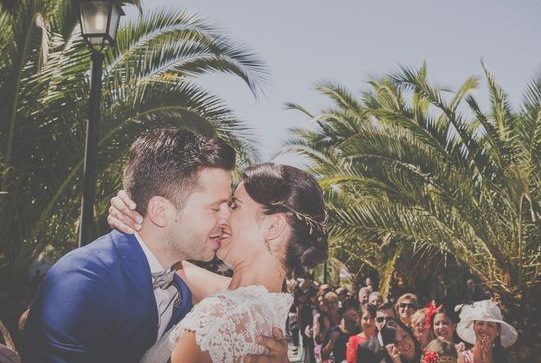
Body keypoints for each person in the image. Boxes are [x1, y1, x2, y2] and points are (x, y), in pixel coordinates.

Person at [24, 129, 288, 363]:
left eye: (229, 205)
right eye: (215, 207)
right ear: (160, 211)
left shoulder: (180, 291)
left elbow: (248, 291)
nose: (226, 218)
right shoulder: (85, 279)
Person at [140, 162, 329, 362]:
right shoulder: (261, 307)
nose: (222, 216)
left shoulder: (220, 315)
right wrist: (139, 218)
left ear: (273, 226)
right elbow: (179, 269)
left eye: (234, 206)